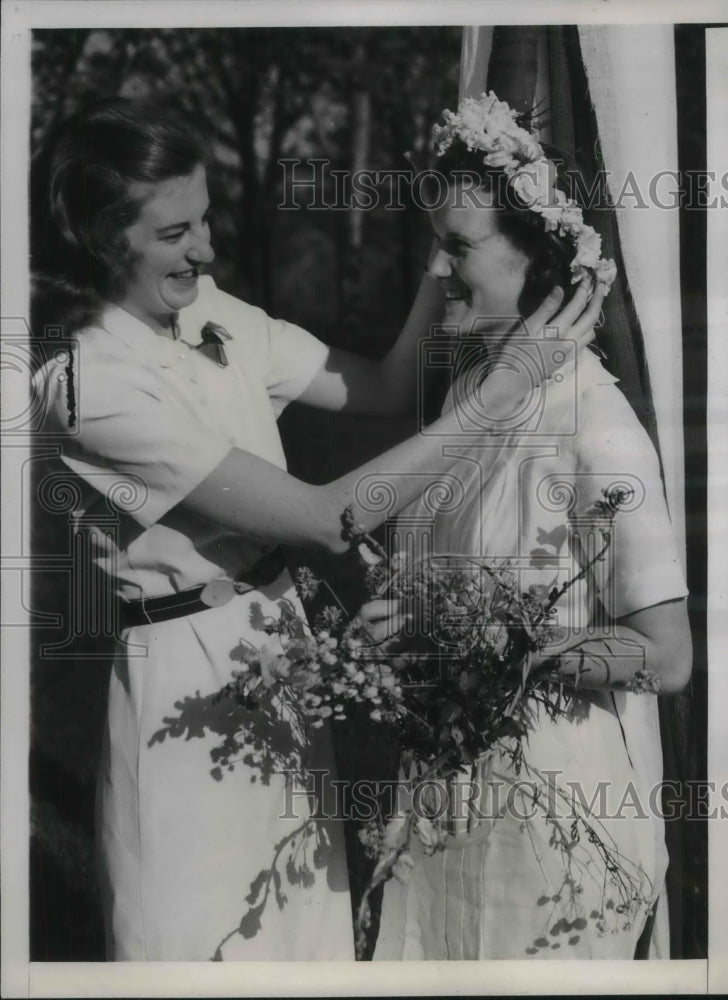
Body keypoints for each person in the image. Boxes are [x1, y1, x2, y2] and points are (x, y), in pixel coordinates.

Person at [30, 96, 602, 961]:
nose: (208, 249)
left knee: (304, 937)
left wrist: (444, 255)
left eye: (208, 218)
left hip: (282, 646)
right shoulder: (81, 381)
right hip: (178, 675)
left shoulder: (210, 308)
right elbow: (327, 517)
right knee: (199, 942)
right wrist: (499, 393)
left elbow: (380, 384)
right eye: (175, 233)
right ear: (103, 240)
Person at [368, 93, 692, 961]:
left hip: (557, 830)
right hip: (445, 807)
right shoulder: (469, 401)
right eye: (436, 243)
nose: (437, 269)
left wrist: (521, 651)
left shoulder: (597, 421)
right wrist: (403, 627)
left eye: (460, 247)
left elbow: (665, 655)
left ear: (537, 263)